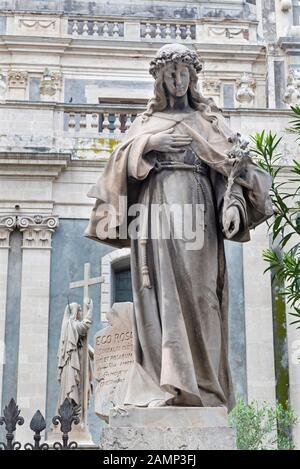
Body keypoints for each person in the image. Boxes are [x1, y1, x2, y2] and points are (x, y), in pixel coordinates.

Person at [85, 44, 273, 410]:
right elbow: (116, 167)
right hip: (155, 216)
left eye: (183, 72)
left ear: (192, 78)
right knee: (160, 299)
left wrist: (232, 205)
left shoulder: (209, 122)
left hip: (199, 214)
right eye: (169, 73)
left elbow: (231, 171)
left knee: (202, 299)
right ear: (159, 80)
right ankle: (165, 385)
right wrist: (149, 144)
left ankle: (204, 388)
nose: (176, 79)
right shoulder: (144, 125)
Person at [57, 299, 94, 423]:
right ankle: (71, 416)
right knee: (73, 389)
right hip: (72, 366)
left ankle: (74, 416)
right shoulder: (70, 324)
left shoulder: (70, 326)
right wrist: (90, 311)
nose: (81, 312)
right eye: (79, 310)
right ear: (74, 312)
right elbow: (84, 327)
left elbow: (83, 344)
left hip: (77, 364)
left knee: (78, 389)